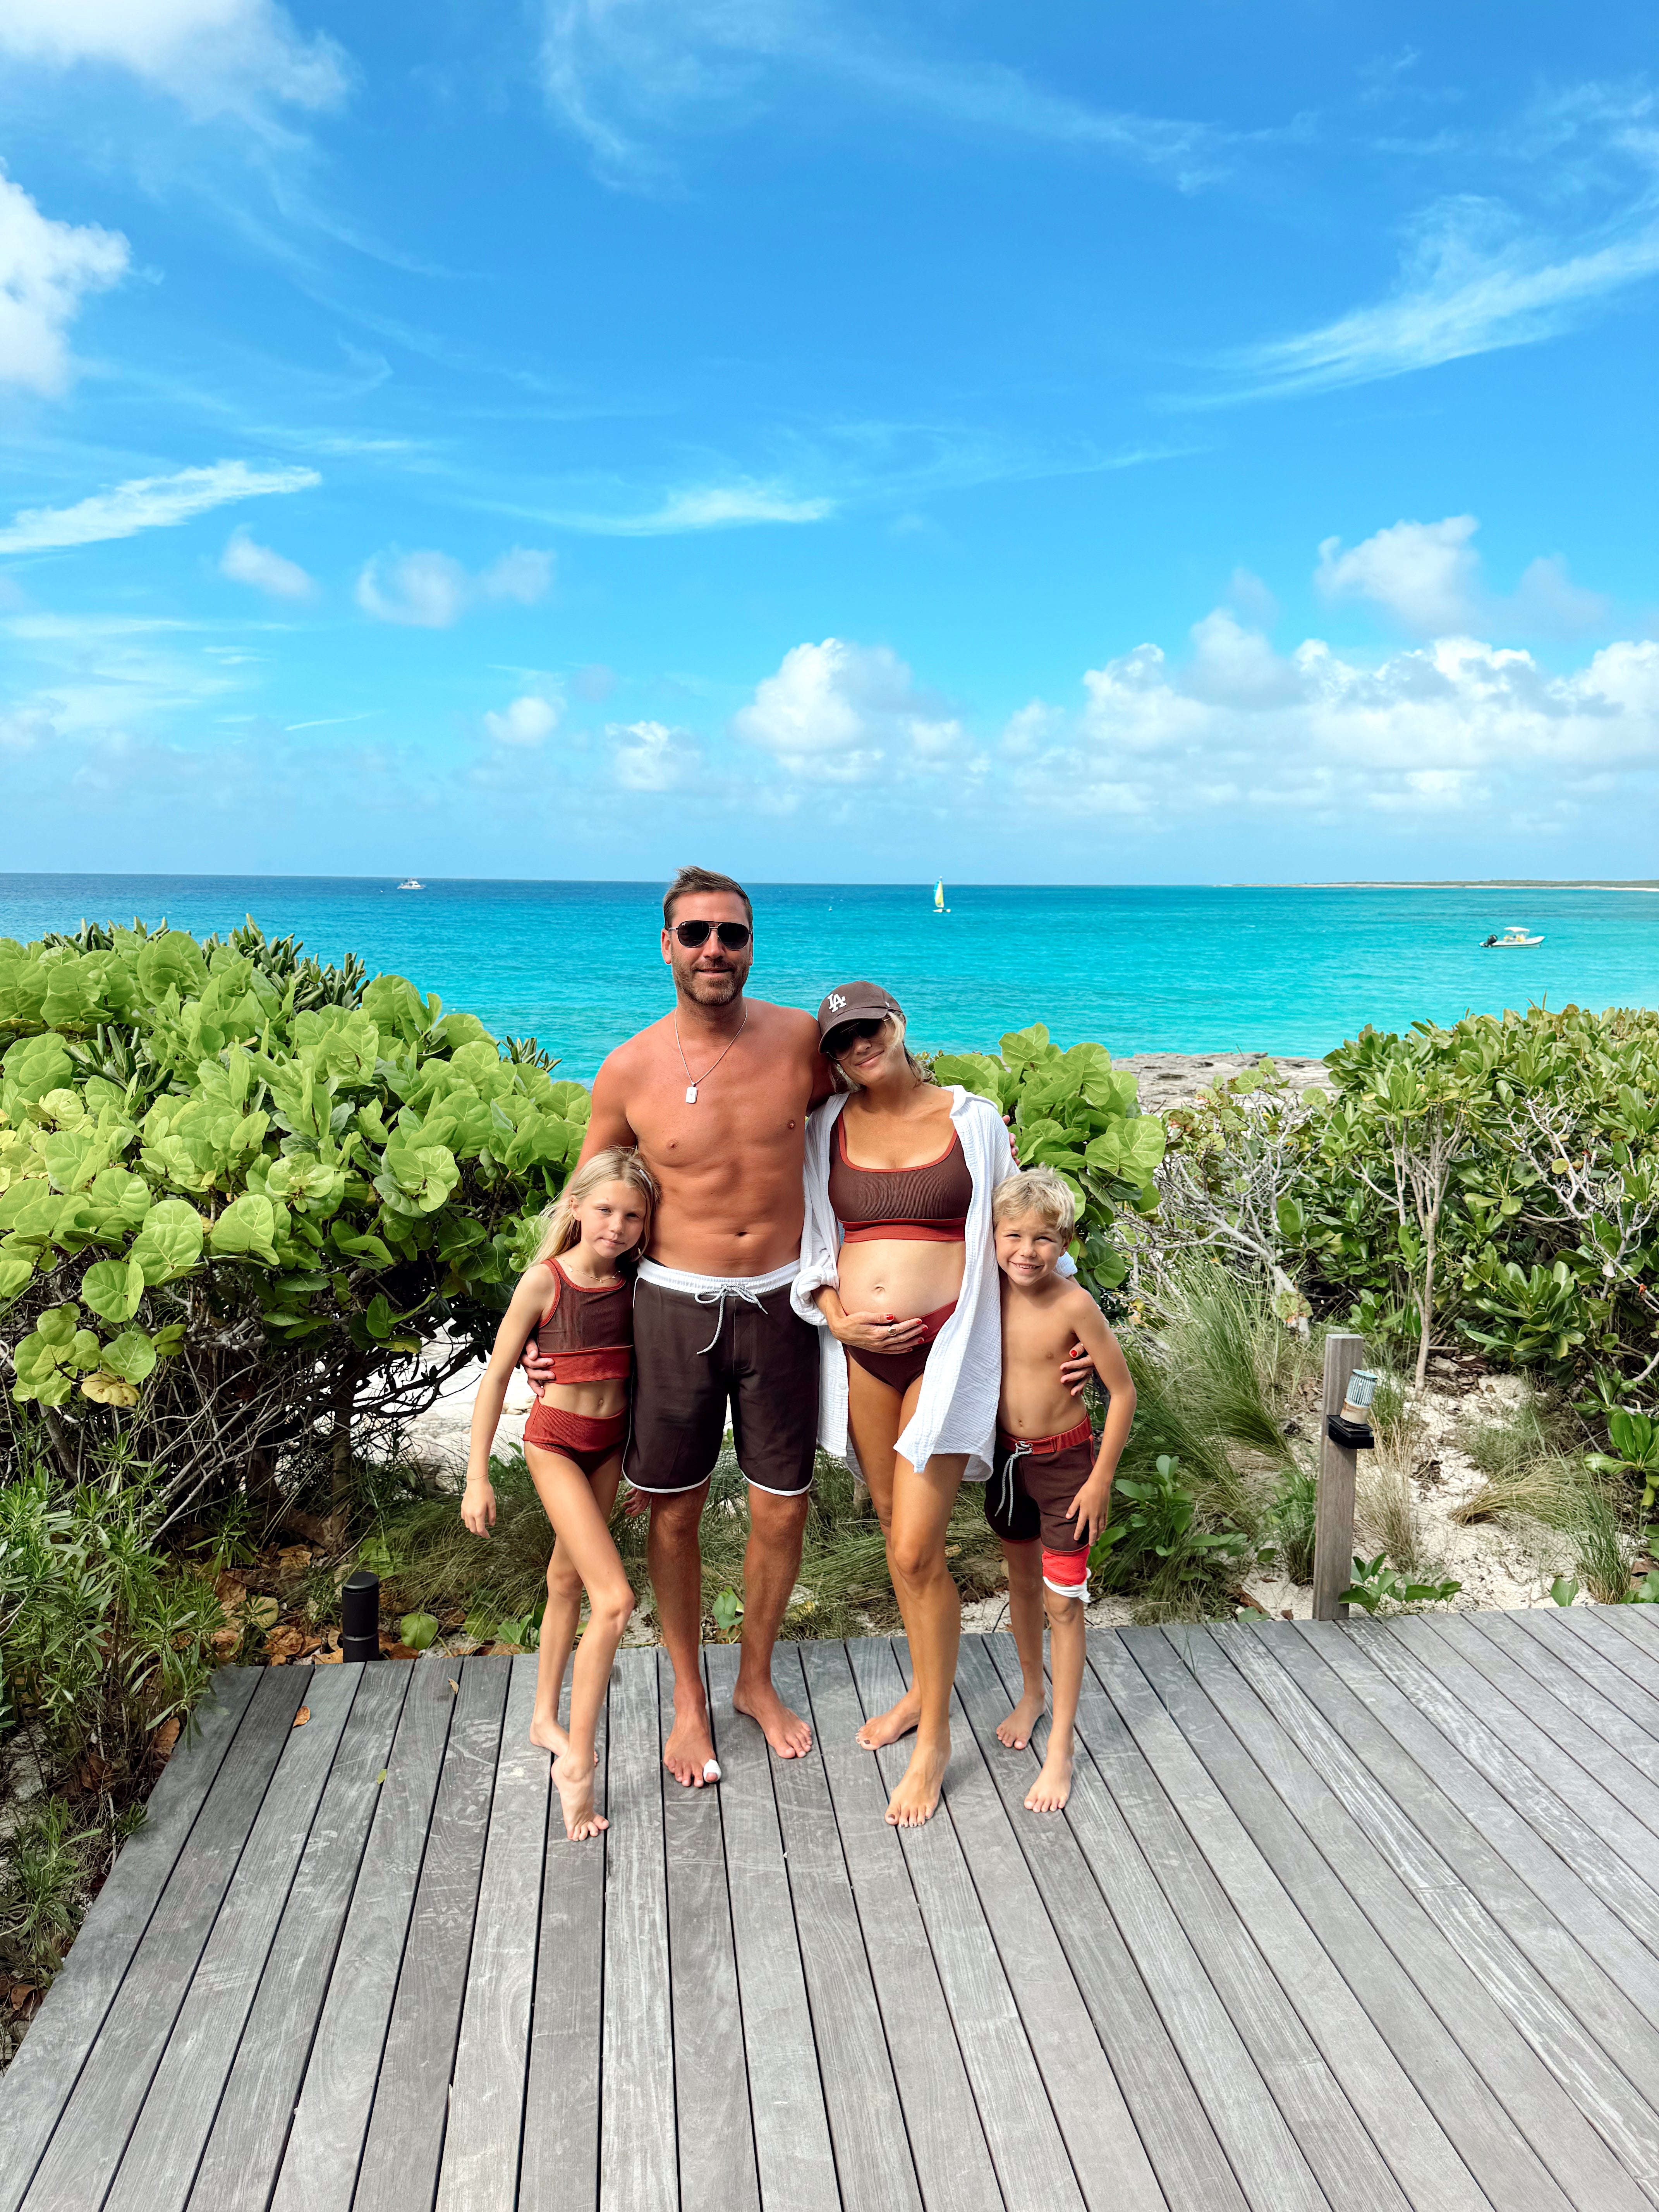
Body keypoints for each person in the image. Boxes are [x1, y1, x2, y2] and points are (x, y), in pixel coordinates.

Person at [524, 867, 834, 1788]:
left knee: (783, 1506)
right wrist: (544, 1326)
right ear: (666, 946)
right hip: (670, 1307)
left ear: (751, 946)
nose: (714, 950)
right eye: (695, 933)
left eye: (732, 934)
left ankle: (755, 1679)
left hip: (780, 1303)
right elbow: (584, 1207)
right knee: (675, 1510)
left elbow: (883, 1108)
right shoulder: (629, 1068)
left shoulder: (801, 1041)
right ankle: (690, 1698)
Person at [795, 982, 1019, 1827]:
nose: (858, 1046)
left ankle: (935, 1742)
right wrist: (836, 1316)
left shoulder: (974, 1120)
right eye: (840, 1041)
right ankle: (927, 1688)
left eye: (868, 1028)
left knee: (920, 1547)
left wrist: (1069, 1335)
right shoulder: (826, 1126)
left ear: (898, 1023)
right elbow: (816, 1245)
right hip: (862, 1354)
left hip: (947, 1348)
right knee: (897, 1533)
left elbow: (1018, 1232)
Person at [461, 1147, 658, 1841]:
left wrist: (643, 1467)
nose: (616, 1226)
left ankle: (544, 1718)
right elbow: (496, 1376)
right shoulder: (544, 1282)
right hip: (556, 1445)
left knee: (567, 1578)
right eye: (604, 1210)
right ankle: (577, 1762)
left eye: (632, 1217)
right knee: (616, 1599)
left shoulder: (639, 1285)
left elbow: (646, 1382)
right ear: (575, 1207)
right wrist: (477, 1476)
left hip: (610, 1447)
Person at [983, 1167, 1135, 1814]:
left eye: (1044, 1239)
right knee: (1020, 1585)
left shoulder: (1074, 1304)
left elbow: (1123, 1392)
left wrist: (1100, 1479)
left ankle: (1061, 1747)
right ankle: (1031, 1694)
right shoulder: (985, 1289)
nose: (1027, 1251)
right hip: (1005, 1462)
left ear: (1065, 1243)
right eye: (1013, 1236)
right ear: (992, 1237)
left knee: (1064, 1604)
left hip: (1065, 1468)